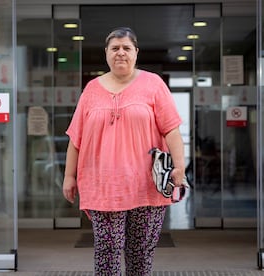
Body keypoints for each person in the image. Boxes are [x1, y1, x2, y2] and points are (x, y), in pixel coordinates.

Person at [62, 27, 186, 276]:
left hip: (146, 185)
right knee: (107, 254)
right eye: (115, 48)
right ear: (106, 53)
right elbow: (76, 139)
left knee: (140, 255)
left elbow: (171, 129)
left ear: (136, 53)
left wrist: (180, 167)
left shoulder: (153, 84)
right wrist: (69, 176)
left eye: (126, 48)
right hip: (102, 185)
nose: (121, 53)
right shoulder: (91, 90)